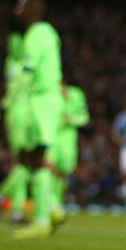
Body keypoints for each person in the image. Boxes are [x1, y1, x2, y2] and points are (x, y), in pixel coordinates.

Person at [11, 0, 66, 239]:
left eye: (21, 5)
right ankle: (51, 210)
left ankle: (44, 218)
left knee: (34, 158)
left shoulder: (35, 34)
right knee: (35, 158)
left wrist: (13, 102)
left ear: (32, 9)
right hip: (48, 100)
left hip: (40, 101)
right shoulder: (49, 33)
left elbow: (28, 70)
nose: (17, 9)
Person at [0, 28, 32, 223]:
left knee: (24, 166)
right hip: (20, 116)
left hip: (20, 115)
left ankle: (10, 204)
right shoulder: (18, 66)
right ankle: (4, 199)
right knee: (24, 164)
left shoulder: (12, 65)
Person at [54, 80, 91, 212]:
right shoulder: (48, 95)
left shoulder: (75, 94)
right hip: (49, 138)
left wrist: (70, 119)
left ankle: (56, 203)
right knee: (49, 170)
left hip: (67, 141)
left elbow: (84, 117)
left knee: (63, 171)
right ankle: (52, 204)